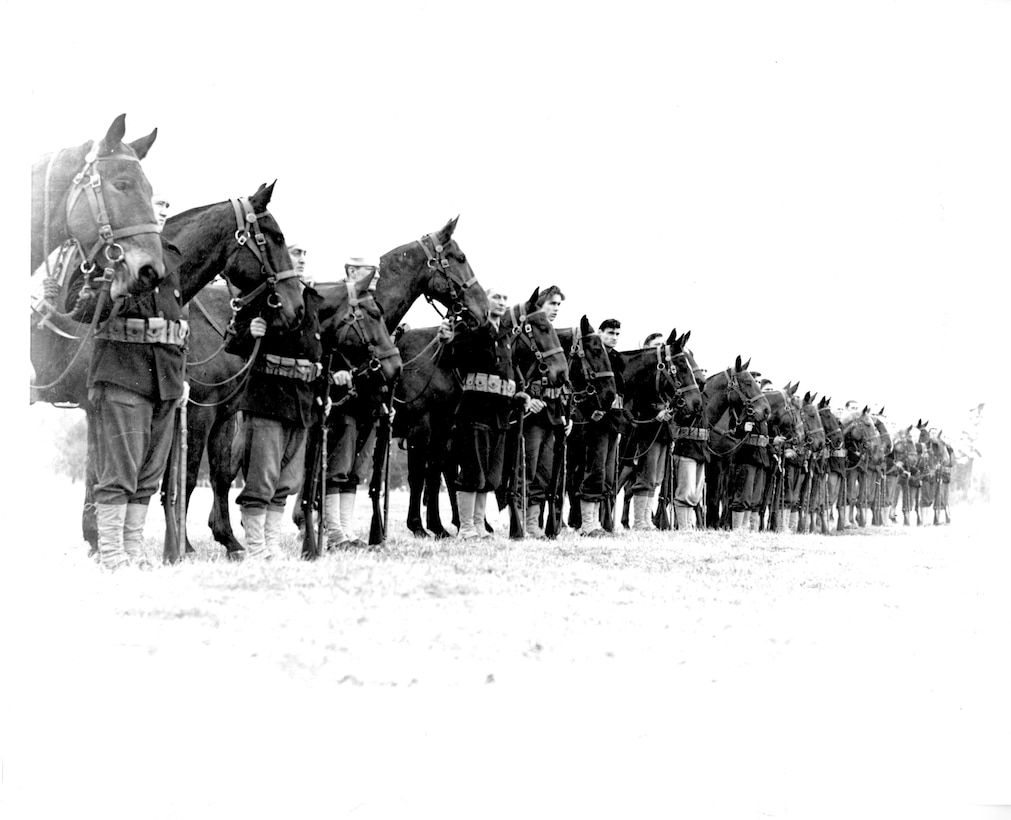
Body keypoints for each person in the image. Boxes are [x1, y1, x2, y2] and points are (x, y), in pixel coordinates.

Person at [88, 239, 186, 569]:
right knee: (120, 469)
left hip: (166, 379)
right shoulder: (109, 252)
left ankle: (132, 550)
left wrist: (180, 376)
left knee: (148, 474)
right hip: (122, 372)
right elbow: (83, 310)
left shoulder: (172, 259)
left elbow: (178, 325)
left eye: (165, 205)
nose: (159, 210)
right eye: (153, 203)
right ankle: (113, 555)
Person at [226, 274, 323, 560]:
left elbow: (316, 354)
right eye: (295, 254)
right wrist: (250, 332)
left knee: (285, 482)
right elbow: (231, 340)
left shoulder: (311, 300)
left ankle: (271, 546)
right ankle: (257, 548)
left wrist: (321, 391)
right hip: (267, 397)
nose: (301, 259)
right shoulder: (262, 295)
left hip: (301, 400)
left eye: (305, 253)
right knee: (262, 478)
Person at [440, 286, 533, 539]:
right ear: (485, 301)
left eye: (505, 298)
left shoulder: (505, 338)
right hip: (475, 411)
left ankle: (479, 525)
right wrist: (446, 340)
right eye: (497, 297)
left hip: (500, 413)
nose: (502, 302)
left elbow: (506, 374)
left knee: (491, 474)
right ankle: (467, 526)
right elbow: (449, 360)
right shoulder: (471, 332)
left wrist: (517, 396)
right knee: (473, 470)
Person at [322, 256, 384, 550]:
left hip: (368, 401)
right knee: (338, 467)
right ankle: (334, 532)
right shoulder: (338, 305)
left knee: (355, 470)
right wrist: (335, 372)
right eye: (366, 270)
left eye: (377, 271)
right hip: (344, 399)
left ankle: (345, 530)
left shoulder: (373, 308)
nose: (374, 276)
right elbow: (325, 344)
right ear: (349, 272)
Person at [519, 285, 566, 538]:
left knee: (544, 472)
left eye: (559, 305)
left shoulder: (554, 337)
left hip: (551, 413)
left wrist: (564, 413)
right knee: (528, 467)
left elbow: (563, 382)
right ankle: (523, 523)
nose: (556, 309)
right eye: (552, 304)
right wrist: (527, 398)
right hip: (530, 413)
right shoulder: (525, 336)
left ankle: (533, 523)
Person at [573, 318, 625, 536]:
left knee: (608, 475)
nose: (614, 337)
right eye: (610, 333)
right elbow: (578, 386)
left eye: (617, 334)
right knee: (594, 470)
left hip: (613, 422)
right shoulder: (590, 356)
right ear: (600, 333)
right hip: (594, 421)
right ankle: (587, 524)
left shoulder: (616, 359)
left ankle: (598, 521)